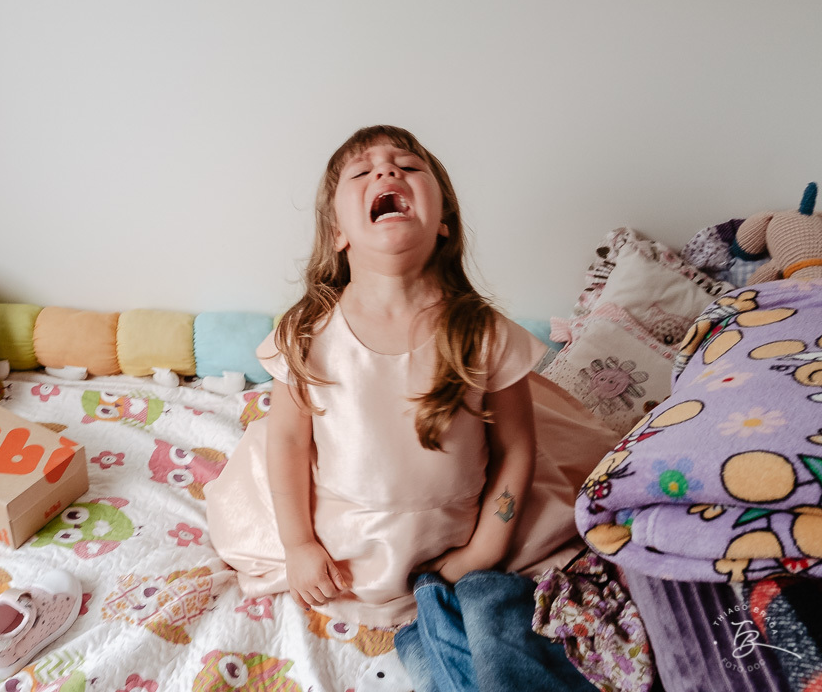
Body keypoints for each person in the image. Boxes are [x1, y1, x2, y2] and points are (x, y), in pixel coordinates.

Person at [204, 125, 615, 691]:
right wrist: (299, 546)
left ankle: (456, 614)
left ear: (443, 221)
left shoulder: (481, 330)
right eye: (363, 171)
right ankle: (424, 626)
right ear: (338, 232)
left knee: (506, 592)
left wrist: (486, 547)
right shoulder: (307, 331)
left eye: (408, 166)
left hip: (461, 527)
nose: (388, 172)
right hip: (349, 539)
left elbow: (517, 445)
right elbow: (290, 442)